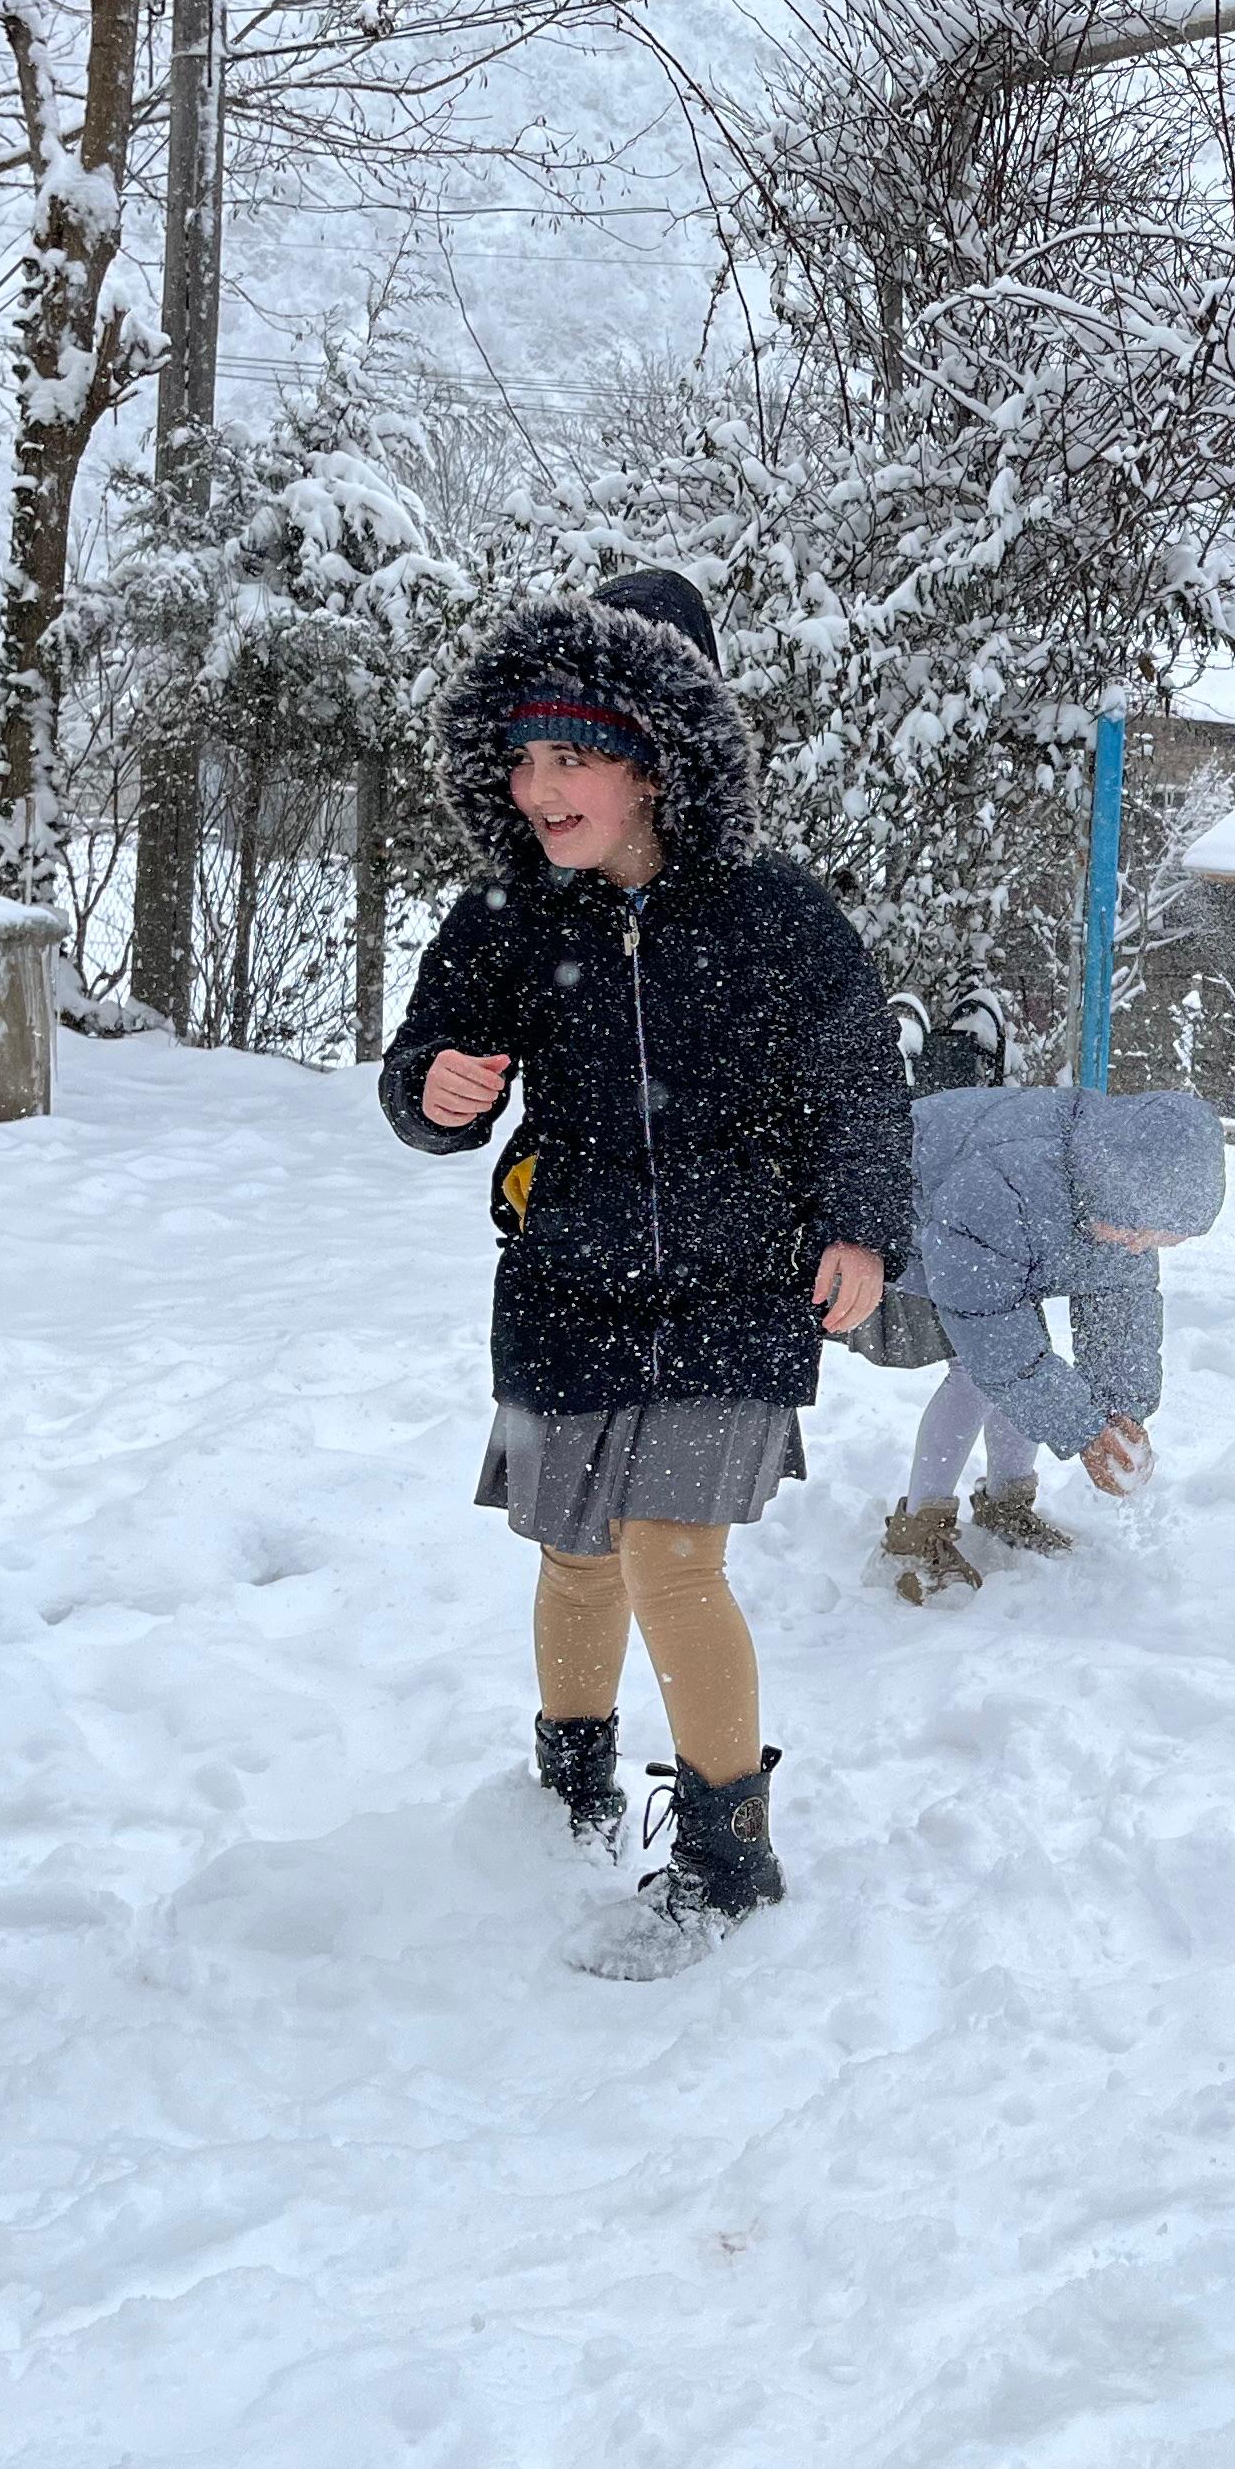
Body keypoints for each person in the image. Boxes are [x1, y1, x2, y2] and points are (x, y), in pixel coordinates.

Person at [380, 567, 912, 1979]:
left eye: (576, 756)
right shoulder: (505, 917)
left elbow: (861, 1084)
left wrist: (864, 1228)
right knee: (572, 1555)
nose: (542, 787)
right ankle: (570, 1787)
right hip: (567, 1286)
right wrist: (430, 1090)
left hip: (740, 1288)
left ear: (662, 759)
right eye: (525, 757)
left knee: (674, 1564)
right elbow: (425, 1069)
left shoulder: (776, 918)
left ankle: (729, 1860)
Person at [875, 1085, 1226, 1601]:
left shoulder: (1118, 1192)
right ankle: (915, 1534)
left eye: (1154, 1241)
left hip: (999, 1241)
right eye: (1137, 1232)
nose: (1137, 1246)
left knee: (1027, 1366)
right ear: (1120, 1190)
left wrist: (1118, 1412)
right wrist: (1082, 1430)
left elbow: (1121, 1313)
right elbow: (995, 1337)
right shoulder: (1008, 1181)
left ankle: (1006, 1504)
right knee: (977, 1374)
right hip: (910, 1217)